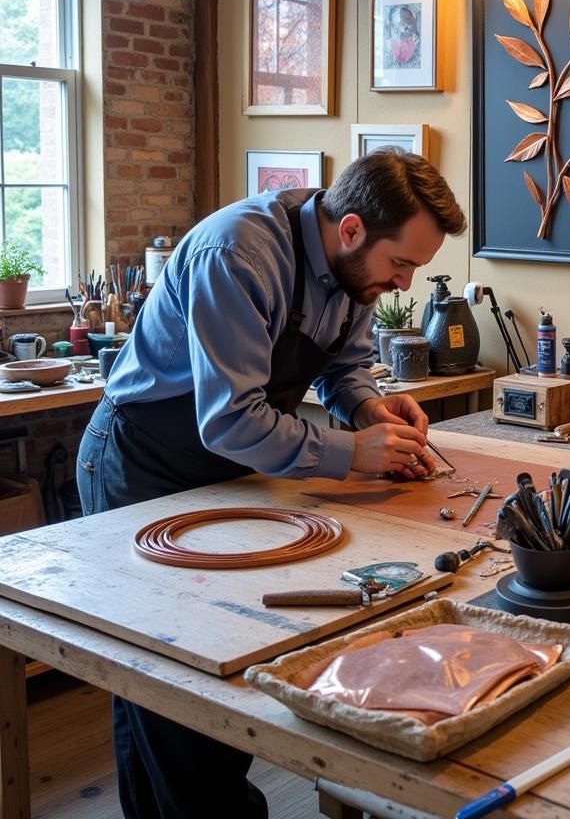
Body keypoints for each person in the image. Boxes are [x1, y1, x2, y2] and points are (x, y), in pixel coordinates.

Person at [76, 148, 466, 819]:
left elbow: (345, 365)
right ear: (350, 232)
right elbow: (229, 420)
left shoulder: (352, 272)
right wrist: (353, 454)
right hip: (141, 463)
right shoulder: (239, 255)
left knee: (207, 676)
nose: (403, 284)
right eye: (400, 264)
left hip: (223, 475)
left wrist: (366, 407)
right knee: (168, 687)